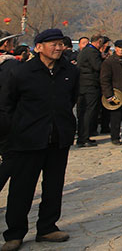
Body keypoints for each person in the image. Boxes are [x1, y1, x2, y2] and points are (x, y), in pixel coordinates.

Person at [0, 29, 79, 249]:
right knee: (21, 190)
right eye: (52, 44)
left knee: (54, 186)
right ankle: (15, 233)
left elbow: (71, 99)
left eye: (60, 44)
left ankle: (47, 228)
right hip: (27, 140)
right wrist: (9, 136)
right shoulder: (21, 72)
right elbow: (7, 105)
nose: (58, 47)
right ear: (39, 47)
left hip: (58, 138)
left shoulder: (70, 72)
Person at [75, 35, 107, 147]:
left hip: (82, 84)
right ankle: (84, 137)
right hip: (90, 84)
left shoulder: (85, 50)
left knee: (83, 112)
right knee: (89, 111)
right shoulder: (92, 52)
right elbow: (98, 67)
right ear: (99, 42)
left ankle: (82, 137)